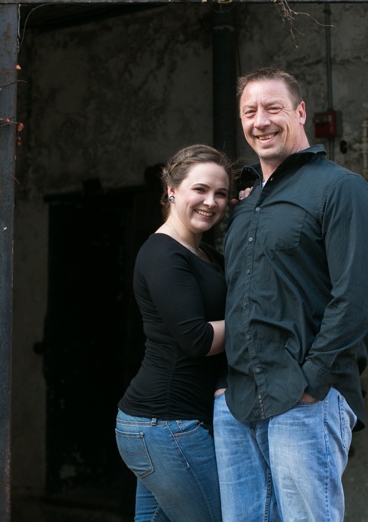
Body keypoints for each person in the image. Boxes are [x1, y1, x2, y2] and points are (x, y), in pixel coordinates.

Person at [214, 68, 368, 522]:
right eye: (250, 111)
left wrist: (312, 381)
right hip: (238, 400)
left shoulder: (341, 189)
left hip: (303, 397)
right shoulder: (246, 203)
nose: (261, 121)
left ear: (300, 112)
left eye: (273, 108)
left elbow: (354, 299)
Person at [115, 144, 233, 522]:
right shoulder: (163, 254)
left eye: (221, 194)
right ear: (171, 189)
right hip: (164, 425)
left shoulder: (206, 254)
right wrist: (255, 323)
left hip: (164, 426)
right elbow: (197, 340)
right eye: (200, 189)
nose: (210, 202)